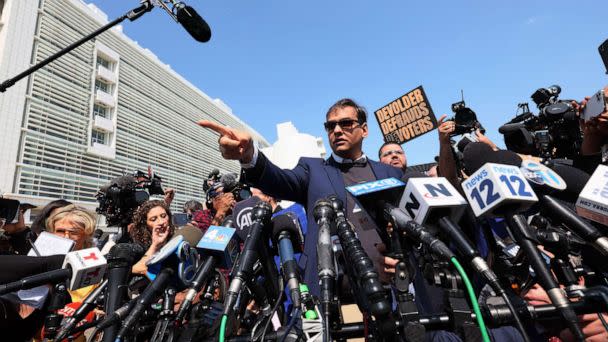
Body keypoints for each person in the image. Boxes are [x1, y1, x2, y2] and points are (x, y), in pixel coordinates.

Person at [199, 98, 402, 295]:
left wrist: (402, 262)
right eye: (330, 126)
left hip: (392, 292)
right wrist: (249, 155)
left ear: (364, 129)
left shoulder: (389, 173)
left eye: (346, 123)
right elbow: (278, 179)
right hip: (331, 297)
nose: (337, 130)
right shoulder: (313, 170)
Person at [129, 200, 175, 275]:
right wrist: (155, 245)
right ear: (145, 224)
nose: (161, 222)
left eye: (163, 216)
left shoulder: (175, 239)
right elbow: (136, 269)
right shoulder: (139, 247)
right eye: (153, 219)